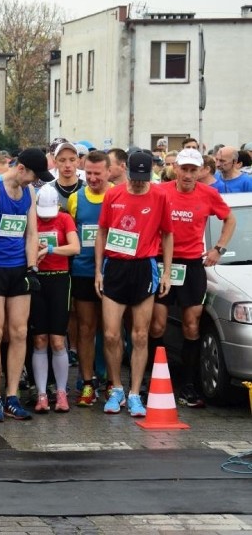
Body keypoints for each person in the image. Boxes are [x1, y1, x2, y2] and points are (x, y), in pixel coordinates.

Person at [0, 147, 53, 422]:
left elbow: (32, 232)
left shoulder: (29, 193)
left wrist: (32, 267)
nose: (34, 181)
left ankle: (12, 395)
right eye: (32, 175)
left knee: (19, 332)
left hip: (19, 269)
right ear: (21, 169)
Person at [149, 148, 235, 408]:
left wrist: (218, 248)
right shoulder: (161, 191)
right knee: (157, 325)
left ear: (201, 171)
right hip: (163, 263)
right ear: (176, 169)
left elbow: (229, 219)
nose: (187, 174)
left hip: (192, 265)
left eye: (192, 170)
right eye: (183, 169)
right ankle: (154, 379)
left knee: (191, 325)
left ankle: (188, 384)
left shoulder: (209, 194)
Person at [95, 151, 173, 418]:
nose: (139, 183)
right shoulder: (113, 194)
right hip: (115, 267)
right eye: (135, 177)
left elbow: (168, 234)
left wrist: (166, 272)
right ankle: (116, 387)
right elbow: (102, 231)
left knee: (140, 335)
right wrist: (98, 271)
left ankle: (135, 393)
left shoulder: (160, 195)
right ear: (126, 171)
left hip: (144, 266)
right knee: (111, 334)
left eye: (143, 177)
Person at [66, 150, 113, 407]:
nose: (93, 178)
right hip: (83, 270)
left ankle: (111, 382)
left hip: (113, 271)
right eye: (90, 173)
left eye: (98, 173)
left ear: (108, 171)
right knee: (85, 328)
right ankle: (87, 382)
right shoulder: (76, 198)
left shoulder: (118, 195)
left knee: (111, 331)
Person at [30, 184, 80, 413]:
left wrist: (49, 250)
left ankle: (61, 392)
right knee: (39, 339)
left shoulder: (64, 219)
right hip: (38, 280)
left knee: (58, 341)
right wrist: (33, 252)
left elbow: (74, 247)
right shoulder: (32, 218)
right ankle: (41, 393)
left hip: (60, 279)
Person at [50, 142, 84, 207]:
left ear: (78, 162)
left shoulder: (87, 189)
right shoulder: (48, 191)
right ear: (55, 163)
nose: (67, 165)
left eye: (72, 160)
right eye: (62, 160)